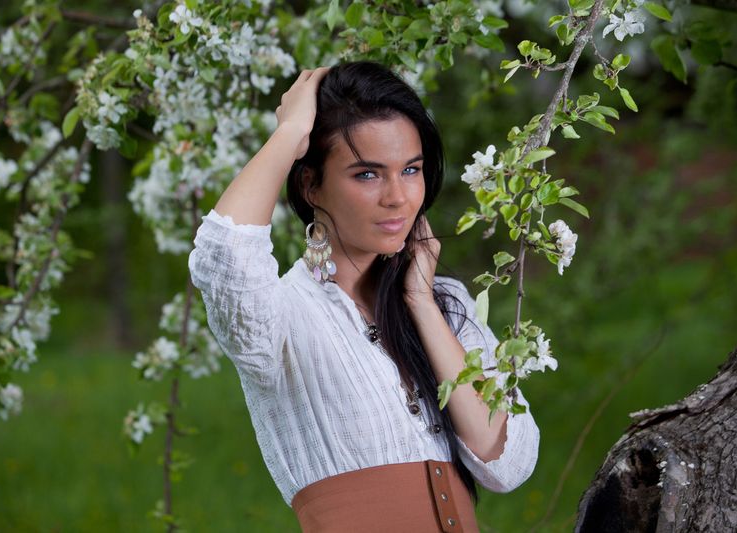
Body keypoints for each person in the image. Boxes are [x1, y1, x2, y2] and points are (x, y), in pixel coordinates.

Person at [188, 61, 539, 532]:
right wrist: (290, 133)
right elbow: (225, 255)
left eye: (410, 169)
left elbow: (506, 463)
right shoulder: (281, 315)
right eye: (367, 175)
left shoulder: (446, 302)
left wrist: (420, 303)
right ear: (311, 185)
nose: (398, 197)